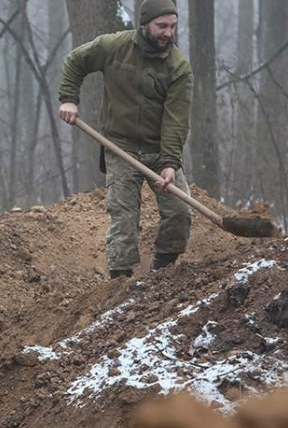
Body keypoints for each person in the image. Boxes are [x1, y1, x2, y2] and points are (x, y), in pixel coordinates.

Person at [58, 0, 193, 279]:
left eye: (173, 26)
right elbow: (75, 61)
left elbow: (176, 120)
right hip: (121, 146)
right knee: (123, 216)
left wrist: (170, 163)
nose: (168, 33)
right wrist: (69, 99)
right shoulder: (114, 46)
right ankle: (121, 282)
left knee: (180, 210)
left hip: (159, 149)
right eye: (162, 26)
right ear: (145, 24)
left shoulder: (178, 68)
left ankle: (163, 269)